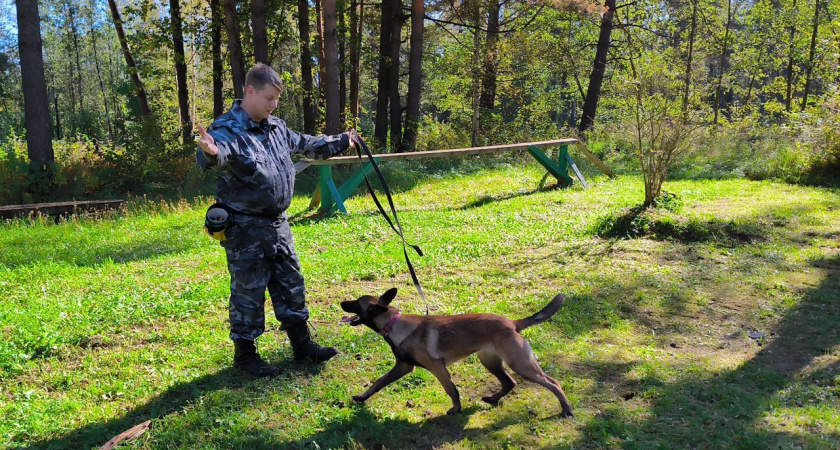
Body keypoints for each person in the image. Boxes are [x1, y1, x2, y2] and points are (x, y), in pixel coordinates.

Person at [196, 63, 356, 376]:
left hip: (278, 223)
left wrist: (343, 140)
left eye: (277, 100)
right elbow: (216, 155)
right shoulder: (227, 128)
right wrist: (211, 153)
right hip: (244, 227)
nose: (273, 104)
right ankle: (245, 355)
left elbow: (308, 145)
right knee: (249, 291)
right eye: (269, 98)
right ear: (250, 91)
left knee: (291, 284)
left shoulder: (276, 127)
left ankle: (302, 345)